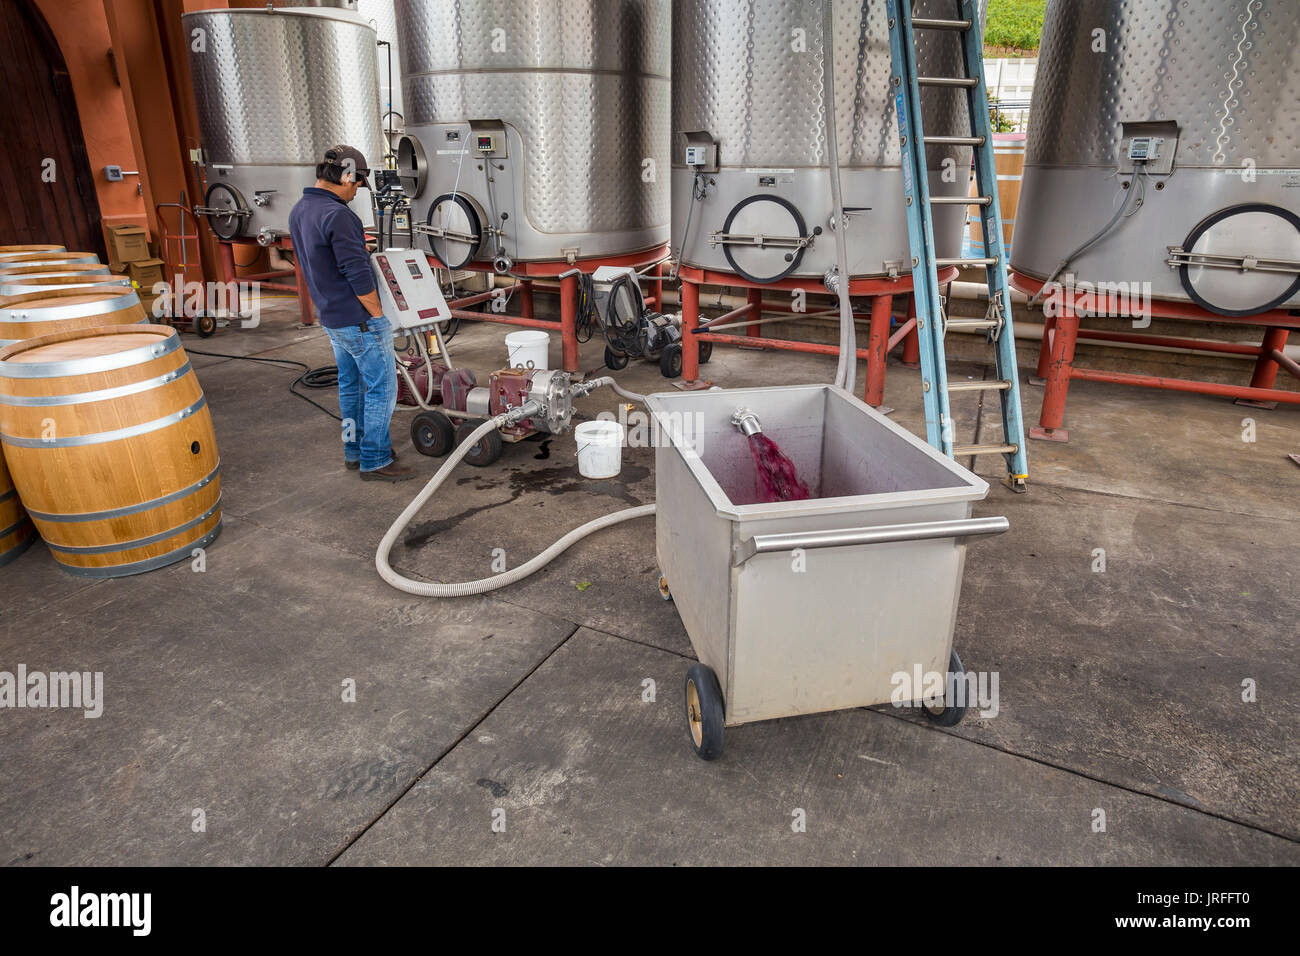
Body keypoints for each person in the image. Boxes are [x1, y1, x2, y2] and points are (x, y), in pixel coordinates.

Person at [288, 145, 414, 481]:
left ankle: (353, 451)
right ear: (345, 175)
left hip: (332, 318)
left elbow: (318, 261)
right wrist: (377, 316)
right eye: (356, 181)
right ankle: (375, 459)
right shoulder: (339, 215)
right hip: (359, 320)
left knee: (350, 386)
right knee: (381, 388)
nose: (357, 188)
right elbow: (356, 272)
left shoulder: (300, 209)